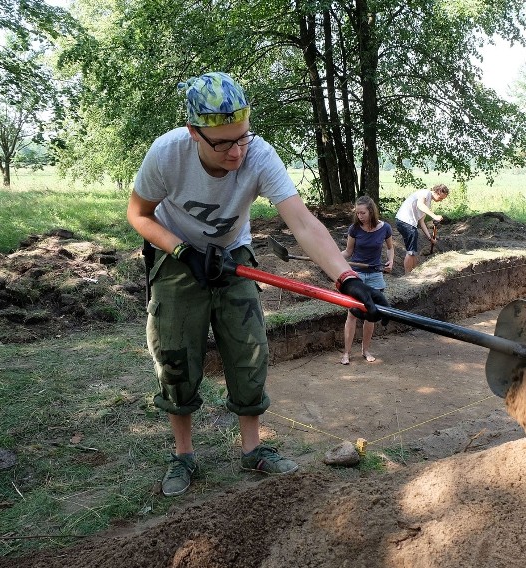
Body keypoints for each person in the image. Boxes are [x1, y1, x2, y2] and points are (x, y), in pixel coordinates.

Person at [127, 72, 388, 497]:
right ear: (194, 132)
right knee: (175, 353)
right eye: (224, 143)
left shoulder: (259, 155)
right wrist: (183, 252)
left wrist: (348, 278)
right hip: (177, 255)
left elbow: (302, 222)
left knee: (249, 349)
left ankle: (254, 452)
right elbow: (139, 215)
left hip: (234, 255)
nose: (236, 152)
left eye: (243, 138)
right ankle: (183, 455)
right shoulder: (167, 154)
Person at [340, 196, 394, 365]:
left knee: (371, 315)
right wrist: (331, 259)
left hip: (376, 275)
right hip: (356, 276)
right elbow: (348, 252)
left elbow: (390, 248)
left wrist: (390, 261)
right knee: (352, 314)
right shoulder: (354, 229)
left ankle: (365, 350)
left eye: (363, 212)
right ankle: (346, 353)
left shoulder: (385, 228)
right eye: (357, 213)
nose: (360, 216)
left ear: (371, 211)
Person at [394, 184, 449, 274]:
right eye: (441, 198)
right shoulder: (425, 193)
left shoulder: (428, 202)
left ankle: (415, 272)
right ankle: (407, 275)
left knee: (413, 250)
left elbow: (421, 222)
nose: (441, 201)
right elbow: (420, 205)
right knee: (411, 251)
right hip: (405, 222)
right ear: (438, 192)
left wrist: (429, 238)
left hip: (409, 224)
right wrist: (434, 216)